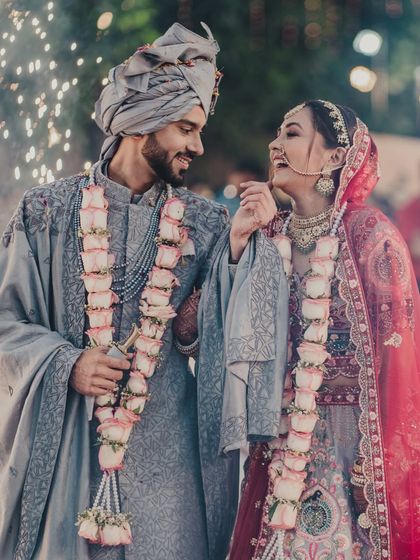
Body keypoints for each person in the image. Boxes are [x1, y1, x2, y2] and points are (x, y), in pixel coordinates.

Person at [0, 22, 244, 560]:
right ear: (142, 125)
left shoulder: (207, 226)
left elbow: (218, 343)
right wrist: (66, 362)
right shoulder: (46, 213)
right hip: (69, 454)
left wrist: (202, 312)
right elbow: (5, 323)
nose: (197, 146)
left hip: (169, 474)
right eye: (185, 128)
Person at [198, 100, 419, 559]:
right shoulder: (268, 235)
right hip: (278, 442)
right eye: (277, 134)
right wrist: (240, 245)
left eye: (292, 134)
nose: (275, 144)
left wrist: (373, 470)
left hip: (351, 445)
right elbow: (219, 335)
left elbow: (397, 358)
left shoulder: (369, 235)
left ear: (335, 157)